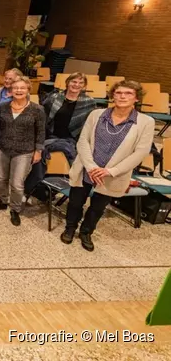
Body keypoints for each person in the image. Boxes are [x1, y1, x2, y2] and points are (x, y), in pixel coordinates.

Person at [61, 80, 153, 251]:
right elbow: (83, 141)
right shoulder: (96, 114)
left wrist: (110, 171)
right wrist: (90, 166)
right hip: (86, 168)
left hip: (112, 174)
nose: (122, 96)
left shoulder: (146, 122)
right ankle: (70, 228)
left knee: (98, 207)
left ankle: (86, 232)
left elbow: (140, 153)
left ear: (136, 98)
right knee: (75, 202)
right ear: (112, 95)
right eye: (118, 93)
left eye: (128, 93)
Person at [0, 76, 45, 226]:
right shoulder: (2, 107)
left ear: (28, 90)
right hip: (2, 147)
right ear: (11, 90)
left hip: (24, 151)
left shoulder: (37, 110)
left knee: (17, 184)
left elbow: (40, 132)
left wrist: (38, 150)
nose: (19, 90)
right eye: (15, 88)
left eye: (22, 88)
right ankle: (2, 200)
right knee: (0, 178)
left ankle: (15, 209)